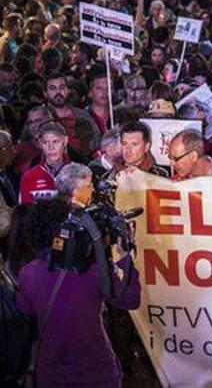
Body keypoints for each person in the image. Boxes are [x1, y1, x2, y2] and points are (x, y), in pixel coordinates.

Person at [15, 166, 141, 388]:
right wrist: (124, 257)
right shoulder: (93, 270)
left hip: (51, 375)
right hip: (97, 375)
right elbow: (130, 299)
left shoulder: (29, 273)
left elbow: (24, 309)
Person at [20, 121, 70, 204]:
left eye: (55, 141)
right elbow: (25, 212)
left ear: (65, 141)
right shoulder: (29, 177)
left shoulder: (78, 173)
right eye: (45, 142)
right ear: (40, 143)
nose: (51, 147)